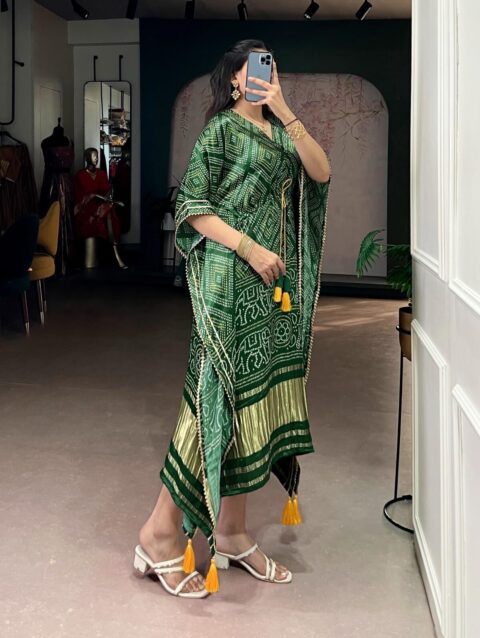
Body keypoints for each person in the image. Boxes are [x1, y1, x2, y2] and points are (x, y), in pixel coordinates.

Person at [134, 39, 332, 598]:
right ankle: (158, 535)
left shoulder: (281, 133)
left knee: (254, 404)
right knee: (211, 403)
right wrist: (248, 247)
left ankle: (233, 532)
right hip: (228, 283)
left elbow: (320, 173)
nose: (265, 75)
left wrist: (285, 109)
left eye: (272, 66)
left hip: (268, 289)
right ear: (234, 79)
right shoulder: (220, 131)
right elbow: (192, 208)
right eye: (254, 68)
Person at [73, 148, 127, 269]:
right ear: (87, 158)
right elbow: (79, 198)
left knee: (109, 210)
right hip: (86, 208)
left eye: (97, 156)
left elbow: (107, 191)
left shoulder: (101, 173)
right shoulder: (80, 175)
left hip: (101, 205)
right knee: (107, 212)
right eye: (93, 156)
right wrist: (91, 197)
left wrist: (106, 197)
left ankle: (115, 251)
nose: (96, 159)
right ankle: (115, 254)